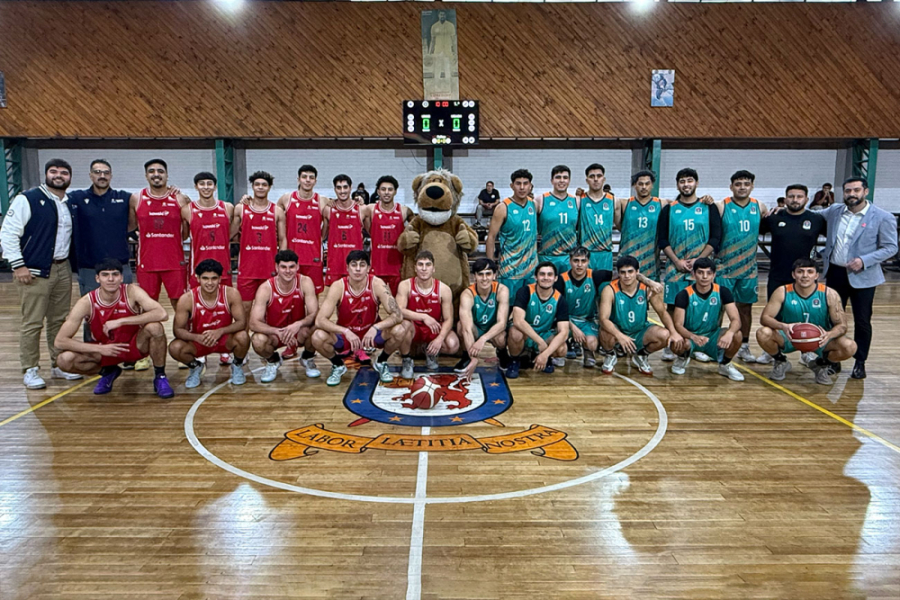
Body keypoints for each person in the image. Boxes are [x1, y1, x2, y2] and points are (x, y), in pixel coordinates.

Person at [0, 158, 82, 388]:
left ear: (69, 177)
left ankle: (58, 364)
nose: (59, 175)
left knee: (58, 320)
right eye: (54, 171)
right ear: (45, 175)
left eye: (64, 172)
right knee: (32, 322)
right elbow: (8, 233)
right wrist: (18, 264)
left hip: (62, 268)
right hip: (34, 270)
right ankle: (30, 368)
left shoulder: (69, 202)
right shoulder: (28, 199)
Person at [54, 259, 174, 398]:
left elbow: (162, 314)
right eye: (105, 275)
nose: (110, 279)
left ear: (121, 277)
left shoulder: (131, 291)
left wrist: (121, 321)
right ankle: (107, 371)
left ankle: (160, 376)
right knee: (64, 360)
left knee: (155, 327)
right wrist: (100, 349)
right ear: (97, 278)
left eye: (115, 274)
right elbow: (60, 341)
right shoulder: (87, 302)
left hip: (134, 345)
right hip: (105, 350)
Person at [819, 177, 898, 379]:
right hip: (836, 273)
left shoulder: (882, 216)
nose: (851, 194)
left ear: (866, 191)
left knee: (862, 321)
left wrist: (865, 260)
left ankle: (860, 361)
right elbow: (811, 214)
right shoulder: (835, 210)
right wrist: (778, 210)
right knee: (832, 319)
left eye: (856, 190)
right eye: (847, 191)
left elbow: (891, 247)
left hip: (863, 276)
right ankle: (833, 359)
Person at [756, 258, 857, 385]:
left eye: (810, 272)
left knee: (850, 346)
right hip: (789, 336)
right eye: (800, 271)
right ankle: (781, 361)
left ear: (816, 275)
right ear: (793, 274)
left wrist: (829, 335)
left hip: (819, 339)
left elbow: (842, 326)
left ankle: (820, 365)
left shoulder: (829, 294)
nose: (805, 275)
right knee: (763, 333)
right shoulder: (782, 291)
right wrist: (783, 326)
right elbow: (764, 318)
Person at [311, 250, 404, 386]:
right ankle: (338, 365)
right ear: (347, 268)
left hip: (371, 335)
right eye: (354, 265)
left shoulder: (377, 284)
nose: (358, 269)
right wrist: (345, 331)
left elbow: (398, 315)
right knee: (317, 336)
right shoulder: (338, 286)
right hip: (347, 337)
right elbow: (320, 320)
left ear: (368, 268)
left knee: (400, 330)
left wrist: (375, 327)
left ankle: (381, 361)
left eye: (362, 265)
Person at [758, 184, 827, 365]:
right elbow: (753, 229)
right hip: (778, 274)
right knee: (775, 314)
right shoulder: (774, 218)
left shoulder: (817, 219)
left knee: (806, 313)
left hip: (805, 277)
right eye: (791, 196)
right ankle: (772, 350)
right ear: (785, 198)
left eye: (799, 196)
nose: (794, 200)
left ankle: (807, 350)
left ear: (806, 198)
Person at [657, 168, 722, 361]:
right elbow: (662, 239)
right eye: (682, 181)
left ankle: (701, 344)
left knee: (703, 307)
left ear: (697, 183)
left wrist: (699, 261)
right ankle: (673, 342)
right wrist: (676, 260)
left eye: (690, 181)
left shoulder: (708, 207)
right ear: (678, 184)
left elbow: (716, 237)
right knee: (672, 305)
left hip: (701, 268)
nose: (686, 184)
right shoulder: (669, 209)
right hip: (675, 266)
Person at [168, 259, 251, 388]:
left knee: (243, 337)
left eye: (214, 278)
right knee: (175, 347)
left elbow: (241, 323)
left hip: (223, 339)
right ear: (198, 278)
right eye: (205, 278)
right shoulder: (187, 299)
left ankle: (237, 365)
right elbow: (177, 330)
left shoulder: (231, 294)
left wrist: (220, 331)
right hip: (200, 340)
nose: (210, 283)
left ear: (220, 278)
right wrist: (197, 337)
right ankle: (196, 367)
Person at [598, 255, 683, 376]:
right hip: (618, 331)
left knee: (665, 335)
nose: (627, 276)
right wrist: (620, 336)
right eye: (623, 272)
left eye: (630, 272)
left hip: (640, 331)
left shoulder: (647, 289)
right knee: (604, 330)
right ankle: (610, 354)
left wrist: (674, 332)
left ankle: (641, 355)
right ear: (618, 273)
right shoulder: (610, 289)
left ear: (637, 272)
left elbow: (662, 312)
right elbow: (603, 319)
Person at [714, 170, 767, 363]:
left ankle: (744, 345)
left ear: (752, 186)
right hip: (724, 268)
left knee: (745, 308)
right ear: (731, 187)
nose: (742, 187)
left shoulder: (759, 206)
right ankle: (715, 344)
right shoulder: (722, 205)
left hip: (748, 269)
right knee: (718, 307)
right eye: (738, 184)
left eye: (746, 183)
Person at [129, 159, 191, 311]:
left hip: (174, 261)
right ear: (146, 176)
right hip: (147, 261)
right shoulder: (137, 198)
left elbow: (185, 234)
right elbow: (130, 226)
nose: (156, 175)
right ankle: (151, 335)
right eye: (151, 171)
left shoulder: (179, 198)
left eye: (160, 171)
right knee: (147, 305)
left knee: (180, 305)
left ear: (167, 175)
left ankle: (182, 335)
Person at [249, 250, 320, 383]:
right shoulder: (266, 288)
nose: (288, 271)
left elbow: (314, 313)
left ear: (297, 266)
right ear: (276, 267)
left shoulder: (305, 282)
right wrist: (277, 331)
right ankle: (273, 361)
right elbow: (253, 323)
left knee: (317, 326)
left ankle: (307, 358)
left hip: (298, 332)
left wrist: (298, 324)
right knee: (258, 340)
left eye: (291, 267)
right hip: (275, 334)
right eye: (283, 267)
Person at [671, 257, 744, 381]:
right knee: (676, 342)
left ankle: (725, 364)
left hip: (712, 336)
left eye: (709, 273)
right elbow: (678, 325)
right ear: (693, 274)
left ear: (714, 275)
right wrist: (693, 337)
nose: (704, 277)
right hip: (690, 337)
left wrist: (730, 333)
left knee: (737, 335)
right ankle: (683, 357)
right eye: (700, 273)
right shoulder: (684, 295)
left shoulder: (723, 292)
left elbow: (736, 320)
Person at [68, 159, 134, 293]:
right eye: (97, 172)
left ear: (111, 176)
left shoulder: (125, 198)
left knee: (125, 308)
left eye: (106, 173)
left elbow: (133, 223)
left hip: (120, 266)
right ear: (90, 175)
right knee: (92, 311)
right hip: (89, 267)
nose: (102, 176)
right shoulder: (76, 198)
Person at [395, 250, 459, 377]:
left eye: (428, 265)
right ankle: (407, 359)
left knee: (453, 344)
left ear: (433, 269)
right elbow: (399, 311)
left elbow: (448, 319)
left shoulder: (444, 289)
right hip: (413, 328)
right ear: (415, 268)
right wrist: (424, 317)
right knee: (401, 328)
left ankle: (429, 352)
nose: (424, 268)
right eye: (420, 264)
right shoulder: (405, 285)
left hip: (433, 328)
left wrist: (439, 339)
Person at [506, 261, 570, 378]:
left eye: (550, 275)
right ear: (536, 277)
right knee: (515, 333)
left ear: (555, 278)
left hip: (544, 333)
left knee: (562, 349)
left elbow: (564, 332)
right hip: (527, 333)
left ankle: (543, 357)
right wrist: (540, 341)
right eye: (542, 274)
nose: (546, 278)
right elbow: (518, 321)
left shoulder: (560, 299)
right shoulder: (525, 291)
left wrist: (546, 354)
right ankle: (514, 360)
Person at [233, 171, 282, 316]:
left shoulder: (277, 211)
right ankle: (244, 339)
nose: (260, 187)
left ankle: (267, 338)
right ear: (252, 187)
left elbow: (283, 238)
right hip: (247, 268)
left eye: (264, 185)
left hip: (269, 267)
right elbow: (231, 234)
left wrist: (281, 263)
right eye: (257, 185)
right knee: (245, 309)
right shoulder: (241, 209)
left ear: (269, 187)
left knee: (269, 309)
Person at [485, 169, 538, 302]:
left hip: (531, 270)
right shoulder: (503, 207)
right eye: (518, 183)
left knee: (529, 309)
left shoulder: (534, 204)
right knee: (508, 309)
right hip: (509, 270)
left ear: (530, 186)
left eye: (525, 183)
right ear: (511, 185)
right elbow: (491, 237)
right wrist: (490, 266)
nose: (522, 187)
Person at [455, 258, 510, 379]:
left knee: (501, 337)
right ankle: (467, 355)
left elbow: (502, 323)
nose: (484, 278)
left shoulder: (502, 290)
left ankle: (502, 353)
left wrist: (483, 339)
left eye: (488, 274)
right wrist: (474, 358)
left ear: (494, 275)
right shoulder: (467, 294)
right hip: (476, 327)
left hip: (493, 328)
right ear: (474, 276)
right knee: (460, 326)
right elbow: (467, 328)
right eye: (480, 274)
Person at [361, 175, 412, 295]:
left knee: (399, 303)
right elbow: (348, 210)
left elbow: (416, 227)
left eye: (390, 189)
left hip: (397, 267)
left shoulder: (404, 211)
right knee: (374, 304)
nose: (386, 193)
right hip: (377, 266)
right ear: (378, 191)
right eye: (383, 189)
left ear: (395, 191)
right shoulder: (370, 209)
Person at [278, 165, 325, 294]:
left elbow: (333, 218)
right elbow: (274, 216)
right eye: (304, 177)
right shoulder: (286, 199)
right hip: (292, 255)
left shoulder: (322, 201)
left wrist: (321, 237)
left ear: (315, 181)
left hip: (313, 256)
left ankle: (313, 315)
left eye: (311, 177)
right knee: (291, 292)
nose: (308, 180)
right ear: (298, 179)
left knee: (314, 294)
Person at [185, 172, 234, 289]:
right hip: (198, 266)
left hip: (223, 265)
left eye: (209, 184)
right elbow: (183, 235)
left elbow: (231, 233)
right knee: (197, 304)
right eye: (202, 184)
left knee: (226, 303)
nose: (206, 187)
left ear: (215, 187)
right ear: (196, 187)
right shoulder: (187, 210)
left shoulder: (228, 208)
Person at [616, 170, 666, 280]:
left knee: (651, 294)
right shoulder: (624, 203)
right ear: (635, 185)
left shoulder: (661, 203)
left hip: (651, 261)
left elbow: (685, 202)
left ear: (652, 185)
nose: (644, 187)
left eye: (647, 184)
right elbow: (620, 226)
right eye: (640, 184)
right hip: (628, 259)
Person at [536, 165, 580, 275]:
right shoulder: (541, 200)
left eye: (565, 177)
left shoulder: (576, 201)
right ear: (551, 180)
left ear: (569, 180)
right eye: (558, 177)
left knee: (568, 291)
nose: (561, 181)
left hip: (569, 257)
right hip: (547, 256)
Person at [323, 174, 364, 287]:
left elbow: (372, 233)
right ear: (334, 189)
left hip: (355, 265)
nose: (342, 191)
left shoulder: (362, 209)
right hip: (335, 264)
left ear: (350, 188)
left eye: (345, 187)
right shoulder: (327, 210)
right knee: (335, 300)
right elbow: (322, 235)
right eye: (339, 187)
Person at [578, 164, 615, 272]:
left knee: (605, 288)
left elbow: (620, 225)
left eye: (599, 176)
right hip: (585, 254)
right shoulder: (579, 200)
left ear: (604, 179)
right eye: (592, 176)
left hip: (605, 254)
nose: (595, 179)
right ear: (587, 180)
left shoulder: (613, 200)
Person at [429, 10, 456, 81]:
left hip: (447, 50)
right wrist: (430, 53)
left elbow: (453, 40)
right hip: (438, 50)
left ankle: (448, 85)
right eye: (441, 15)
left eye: (443, 15)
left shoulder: (450, 26)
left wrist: (455, 52)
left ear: (445, 16)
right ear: (438, 15)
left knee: (448, 68)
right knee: (437, 69)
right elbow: (432, 41)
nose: (442, 16)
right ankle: (436, 85)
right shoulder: (434, 26)